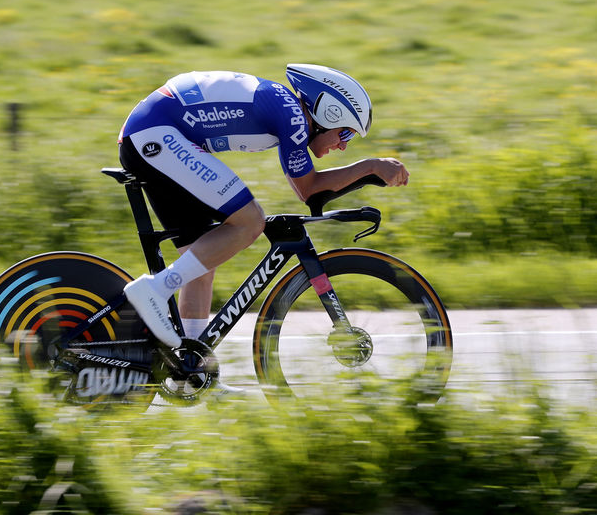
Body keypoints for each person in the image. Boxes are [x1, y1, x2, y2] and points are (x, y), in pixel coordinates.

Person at [117, 64, 409, 349]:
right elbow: (309, 190)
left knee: (201, 262)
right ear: (327, 114)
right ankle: (154, 290)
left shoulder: (286, 107)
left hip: (152, 134)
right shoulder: (293, 115)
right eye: (345, 133)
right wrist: (370, 166)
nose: (344, 145)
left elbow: (313, 192)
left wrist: (367, 173)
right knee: (250, 222)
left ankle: (191, 367)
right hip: (155, 135)